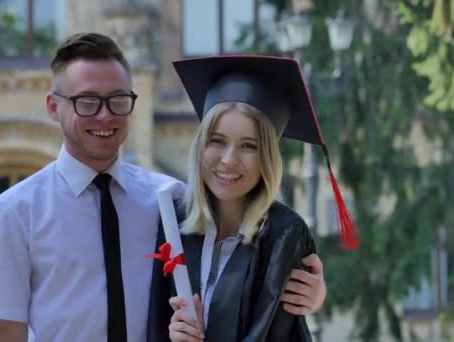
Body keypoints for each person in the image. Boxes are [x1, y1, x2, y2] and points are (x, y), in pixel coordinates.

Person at [0, 33, 328, 342]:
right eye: (87, 101)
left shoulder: (171, 203)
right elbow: (4, 333)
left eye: (118, 100)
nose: (105, 115)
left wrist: (309, 294)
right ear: (53, 105)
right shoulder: (12, 214)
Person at [154, 55, 360, 341]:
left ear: (267, 159)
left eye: (249, 146)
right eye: (217, 141)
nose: (228, 160)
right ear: (200, 146)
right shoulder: (172, 223)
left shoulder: (283, 236)